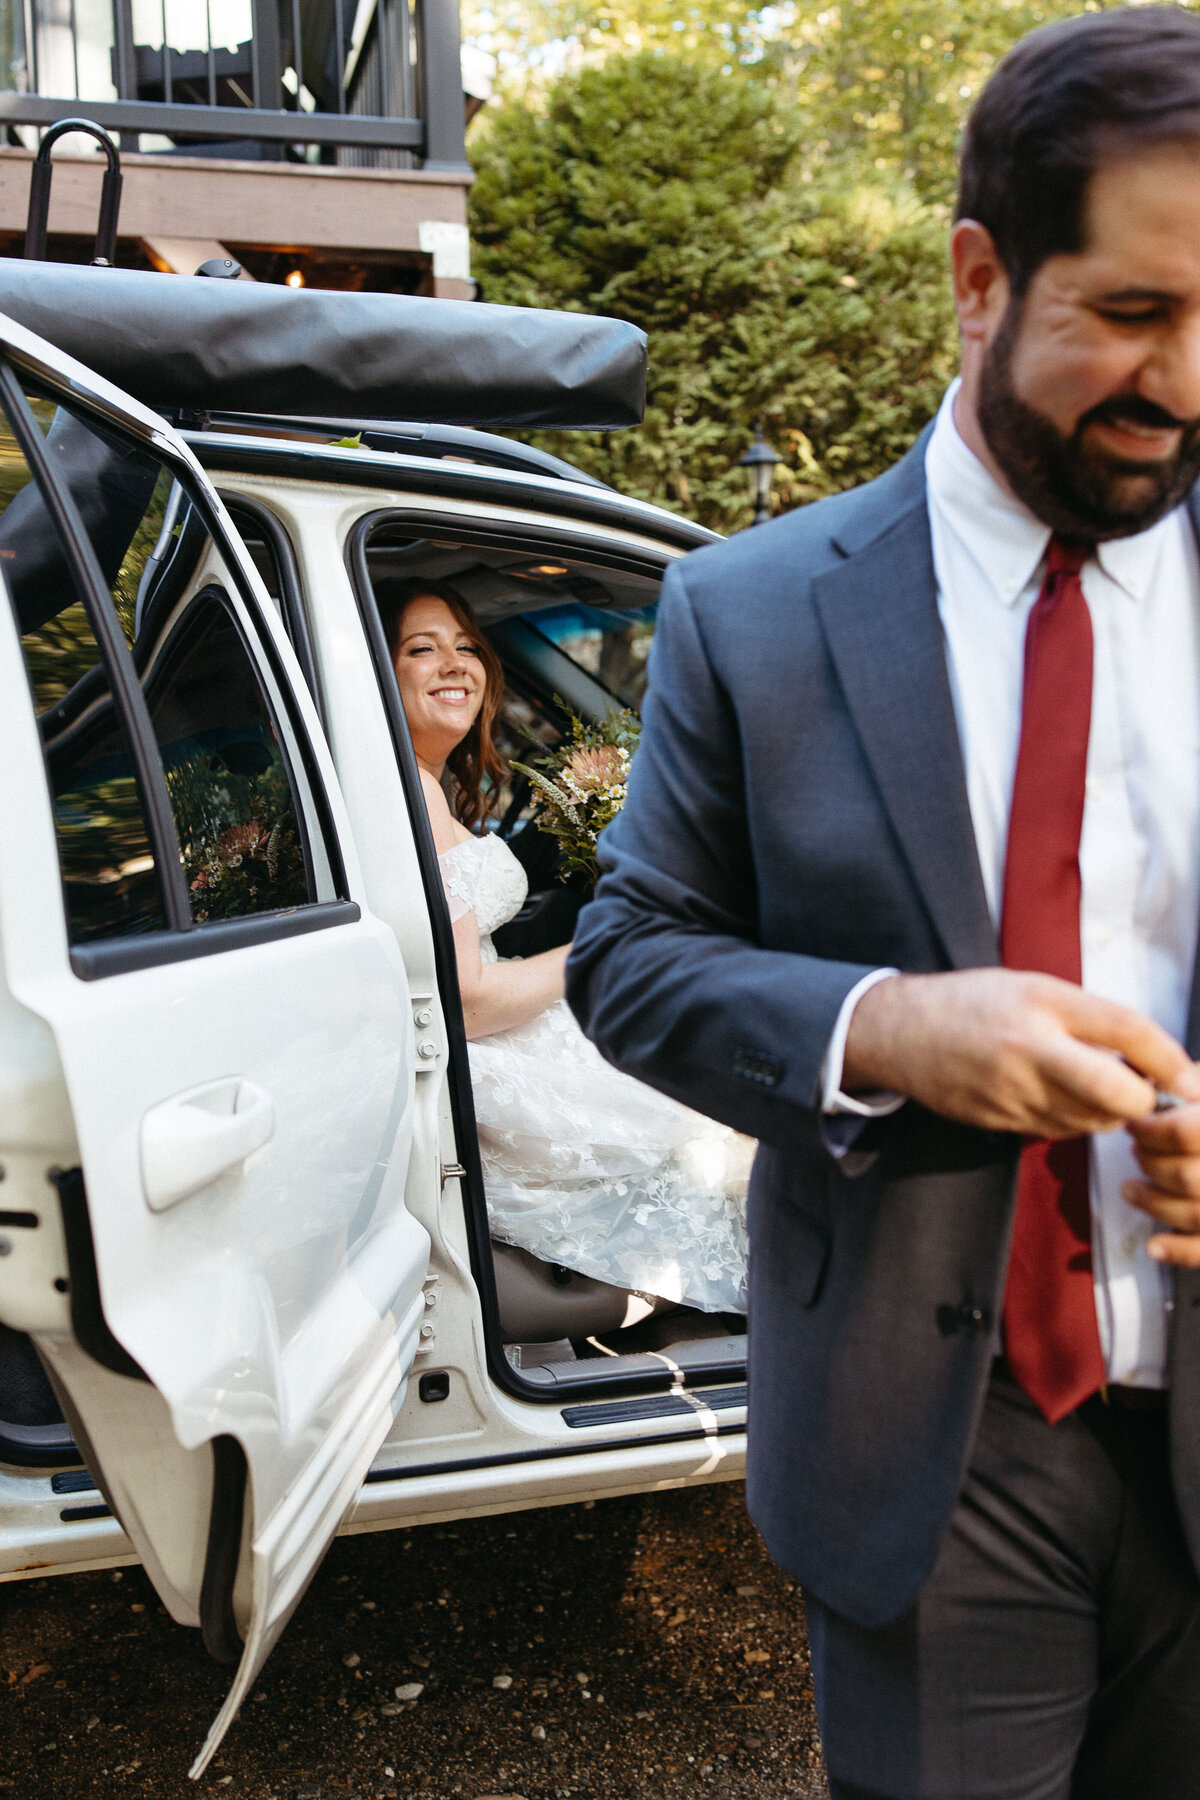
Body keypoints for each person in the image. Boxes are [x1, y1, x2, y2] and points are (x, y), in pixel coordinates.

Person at [567, 11, 1200, 1796]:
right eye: (1138, 316)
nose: (1192, 378)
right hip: (940, 1456)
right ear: (981, 279)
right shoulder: (750, 612)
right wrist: (885, 1028)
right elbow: (630, 957)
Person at [383, 576, 752, 1315]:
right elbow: (470, 1001)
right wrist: (606, 946)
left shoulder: (428, 783)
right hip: (474, 1066)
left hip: (484, 1050)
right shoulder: (413, 794)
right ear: (381, 673)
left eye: (466, 647)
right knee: (728, 1107)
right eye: (423, 649)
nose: (455, 664)